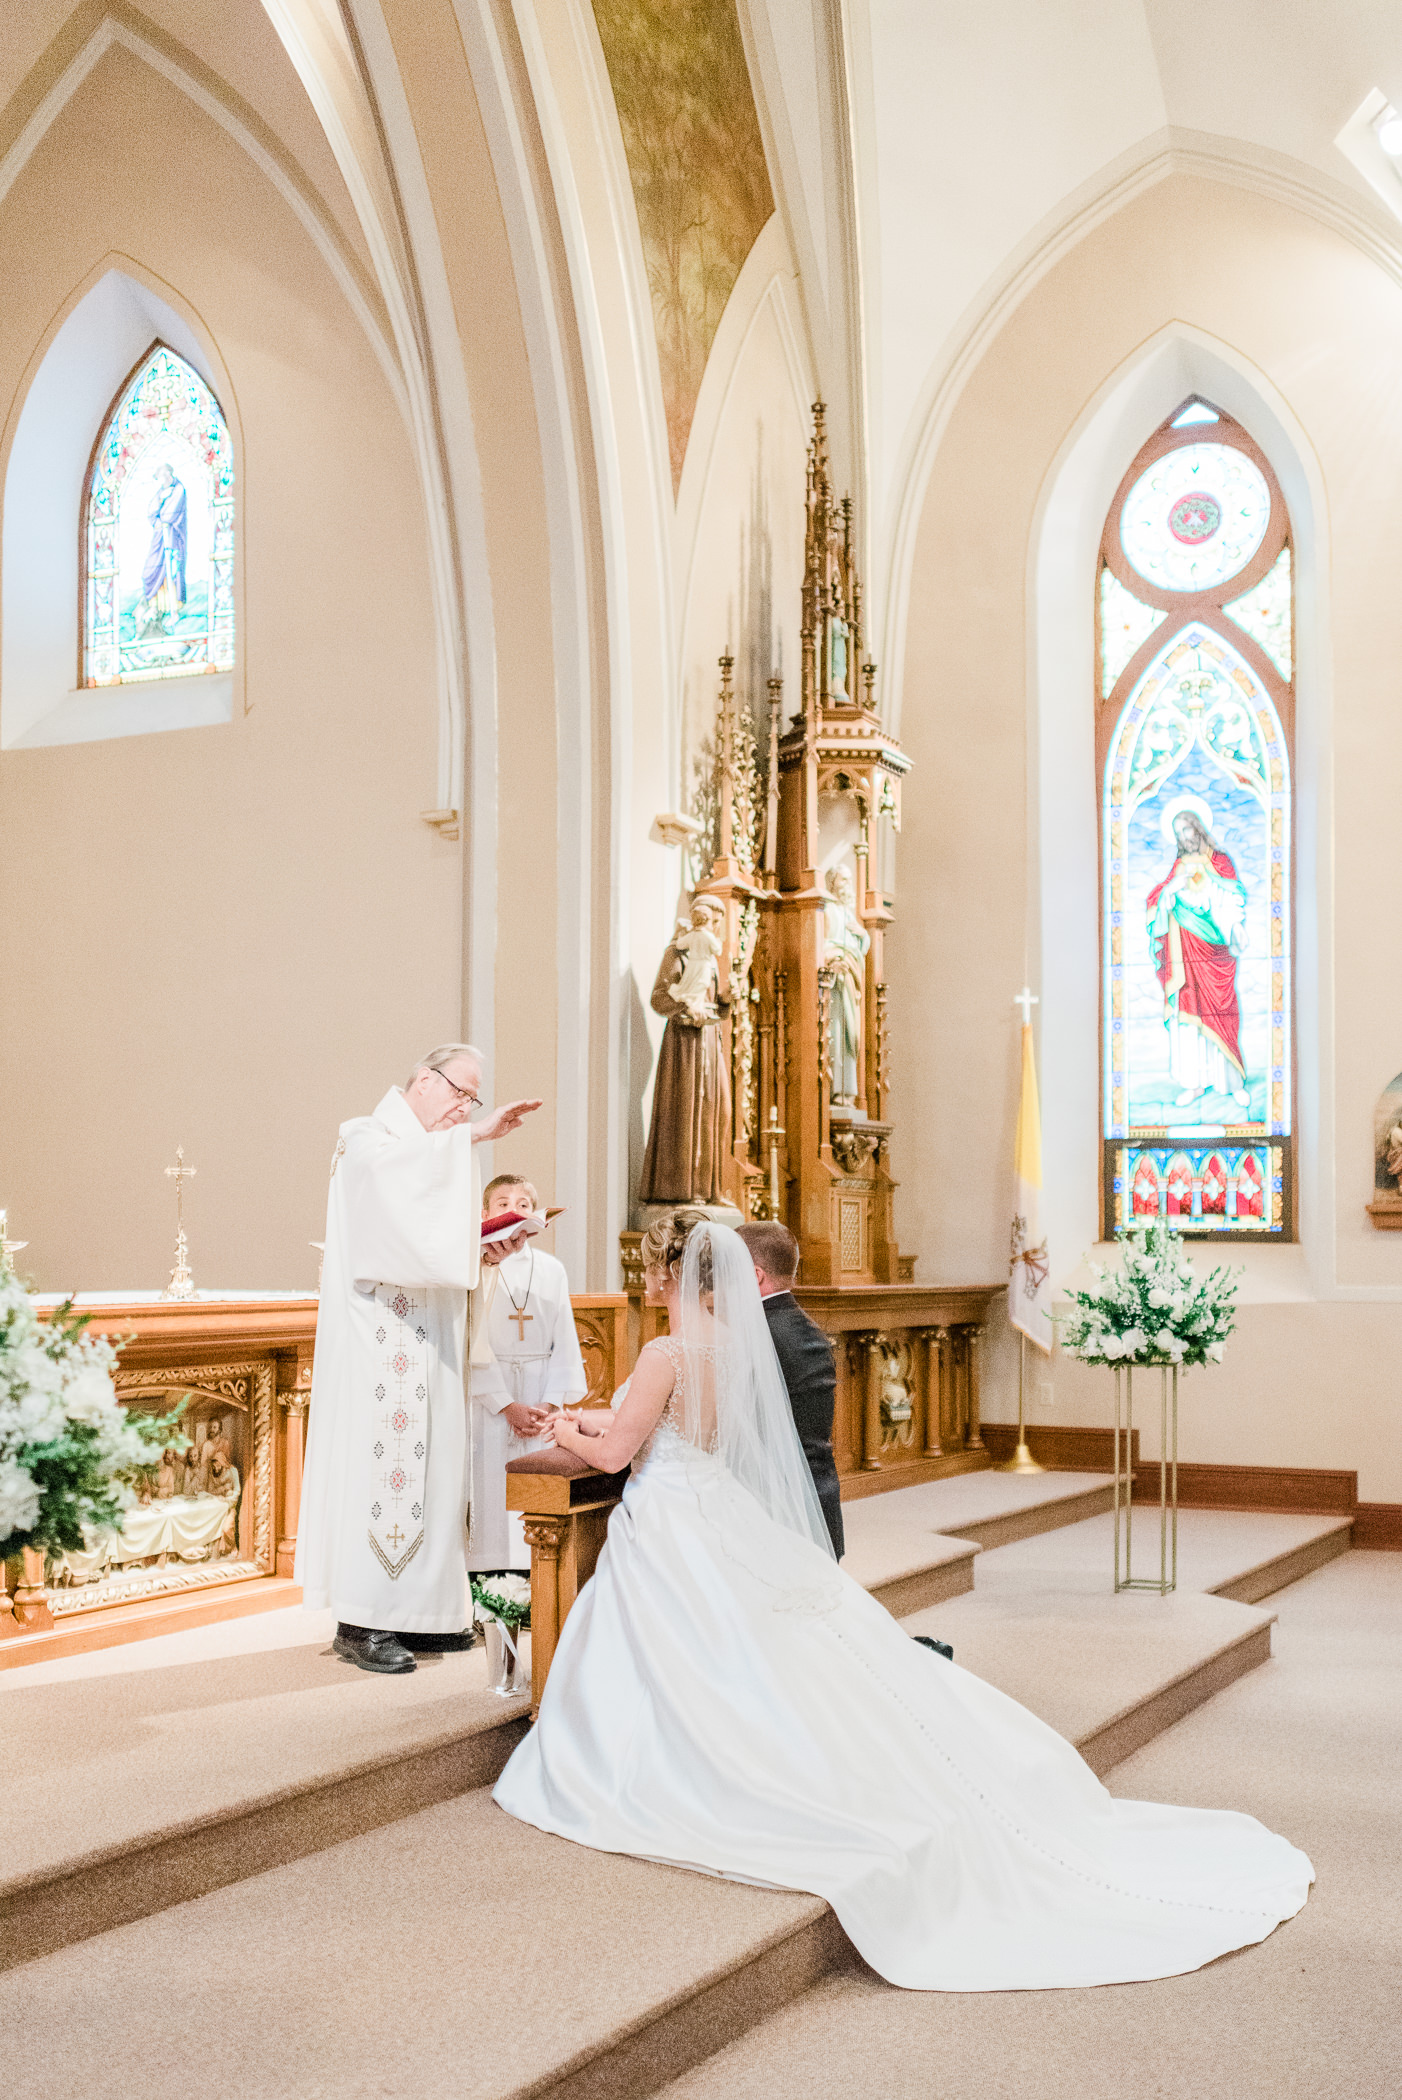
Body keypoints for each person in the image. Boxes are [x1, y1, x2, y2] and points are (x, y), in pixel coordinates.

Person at [493, 1207, 1312, 1992]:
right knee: (766, 1651)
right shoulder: (731, 1351)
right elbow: (676, 1427)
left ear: (673, 1278)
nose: (650, 1286)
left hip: (671, 1519)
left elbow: (628, 1442)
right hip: (718, 1512)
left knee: (685, 1648)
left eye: (653, 1274)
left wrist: (561, 1429)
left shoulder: (667, 1351)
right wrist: (594, 1420)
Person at [295, 1044, 542, 1675]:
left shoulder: (432, 1157)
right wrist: (478, 1135)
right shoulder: (368, 1141)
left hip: (430, 1341)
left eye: (474, 1100)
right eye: (461, 1093)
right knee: (387, 1476)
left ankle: (421, 1613)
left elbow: (432, 1245)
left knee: (436, 1475)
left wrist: (483, 1250)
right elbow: (394, 1193)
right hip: (382, 1344)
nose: (465, 1109)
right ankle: (364, 1620)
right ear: (423, 1081)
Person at [468, 1176, 588, 1573]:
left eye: (523, 1204)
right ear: (484, 1215)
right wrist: (506, 1405)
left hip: (539, 1392)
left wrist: (549, 1404)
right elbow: (470, 1339)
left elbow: (565, 1340)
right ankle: (486, 1576)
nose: (512, 1210)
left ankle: (532, 1573)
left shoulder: (552, 1269)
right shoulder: (473, 1268)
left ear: (536, 1218)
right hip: (491, 1395)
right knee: (487, 1484)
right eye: (502, 1203)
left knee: (535, 1484)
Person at [735, 1218, 843, 1558]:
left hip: (774, 1508)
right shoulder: (807, 1328)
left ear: (755, 1275)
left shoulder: (754, 1336)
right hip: (819, 1496)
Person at [1147, 806, 1249, 1110]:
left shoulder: (1220, 862)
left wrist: (1234, 924)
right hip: (1184, 955)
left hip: (1215, 952)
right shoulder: (1178, 866)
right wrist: (1171, 891)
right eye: (1179, 833)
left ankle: (1232, 1083)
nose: (1184, 837)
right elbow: (1159, 900)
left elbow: (1233, 897)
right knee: (1189, 1016)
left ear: (1199, 828)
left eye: (1187, 830)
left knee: (1221, 1012)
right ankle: (1194, 1083)